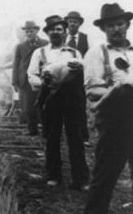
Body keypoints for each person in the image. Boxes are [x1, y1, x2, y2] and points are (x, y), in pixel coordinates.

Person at [79, 3, 133, 214]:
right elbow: (93, 91)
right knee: (106, 173)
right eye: (111, 25)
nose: (116, 28)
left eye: (120, 23)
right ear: (104, 29)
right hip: (113, 119)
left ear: (127, 25)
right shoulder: (97, 53)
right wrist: (120, 88)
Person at [27, 15, 89, 190]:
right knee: (52, 137)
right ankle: (54, 175)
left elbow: (85, 73)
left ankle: (81, 179)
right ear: (47, 33)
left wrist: (81, 69)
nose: (56, 32)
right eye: (52, 29)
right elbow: (31, 74)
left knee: (75, 136)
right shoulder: (40, 53)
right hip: (50, 97)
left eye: (59, 29)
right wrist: (43, 83)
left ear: (64, 32)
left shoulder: (74, 53)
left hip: (72, 98)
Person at [12, 20, 49, 135]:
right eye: (27, 32)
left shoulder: (45, 43)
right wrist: (14, 81)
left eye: (31, 31)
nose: (29, 34)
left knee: (44, 104)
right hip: (26, 80)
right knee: (29, 106)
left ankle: (46, 129)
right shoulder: (20, 46)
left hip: (42, 78)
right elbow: (16, 64)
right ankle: (32, 130)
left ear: (37, 31)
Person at [65, 11, 91, 144]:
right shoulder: (62, 37)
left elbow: (90, 58)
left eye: (75, 22)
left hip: (79, 79)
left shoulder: (86, 38)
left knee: (80, 107)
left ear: (79, 24)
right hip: (63, 78)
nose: (72, 24)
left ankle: (84, 136)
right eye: (70, 21)